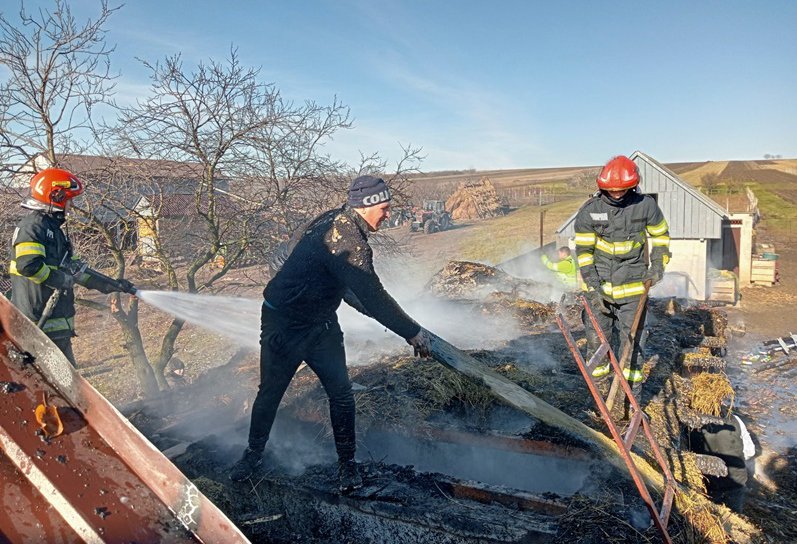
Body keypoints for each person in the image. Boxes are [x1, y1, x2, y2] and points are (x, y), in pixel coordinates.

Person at [229, 175, 433, 492]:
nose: (389, 214)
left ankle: (347, 465)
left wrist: (359, 302)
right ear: (366, 206)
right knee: (271, 392)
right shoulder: (349, 242)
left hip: (321, 324)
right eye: (385, 207)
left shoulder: (334, 220)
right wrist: (412, 332)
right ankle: (252, 454)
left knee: (341, 393)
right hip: (284, 323)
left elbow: (349, 287)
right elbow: (374, 297)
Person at [9, 168, 134, 366]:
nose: (71, 205)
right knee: (57, 390)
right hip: (38, 327)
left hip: (55, 329)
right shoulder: (33, 227)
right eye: (69, 199)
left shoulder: (53, 230)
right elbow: (28, 265)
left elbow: (74, 269)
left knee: (69, 388)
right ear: (56, 195)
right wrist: (61, 280)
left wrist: (110, 285)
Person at [573, 156, 671, 394]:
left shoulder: (646, 206)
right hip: (599, 288)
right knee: (597, 342)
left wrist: (658, 265)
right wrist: (594, 288)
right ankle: (597, 397)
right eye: (611, 191)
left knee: (634, 344)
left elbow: (661, 237)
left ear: (633, 186)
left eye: (622, 190)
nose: (616, 194)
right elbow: (584, 253)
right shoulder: (590, 211)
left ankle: (630, 397)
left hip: (634, 288)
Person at [688, 413, 755, 513]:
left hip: (710, 483)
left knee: (709, 515)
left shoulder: (690, 422)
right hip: (736, 482)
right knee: (733, 519)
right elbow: (750, 451)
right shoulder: (735, 419)